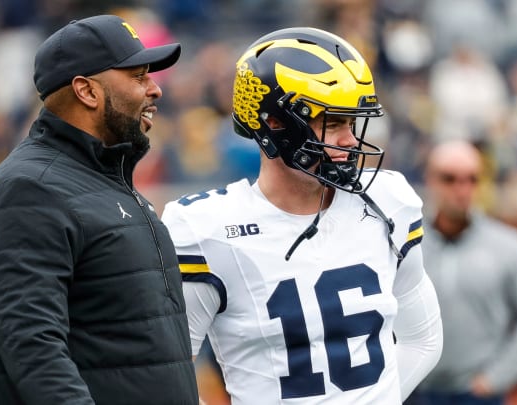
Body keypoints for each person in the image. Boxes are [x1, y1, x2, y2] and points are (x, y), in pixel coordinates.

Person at [161, 27, 443, 404]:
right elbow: (168, 371)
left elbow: (422, 339)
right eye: (334, 122)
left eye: (352, 123)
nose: (350, 141)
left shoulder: (388, 201)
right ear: (275, 122)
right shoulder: (205, 229)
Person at [0, 15, 198, 405]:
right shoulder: (30, 191)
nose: (155, 90)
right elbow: (36, 353)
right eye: (138, 76)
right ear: (86, 91)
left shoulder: (103, 182)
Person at [405, 140, 517, 405]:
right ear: (430, 179)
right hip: (413, 390)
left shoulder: (509, 246)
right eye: (449, 179)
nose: (462, 190)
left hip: (477, 394)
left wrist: (494, 379)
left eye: (472, 179)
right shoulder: (404, 243)